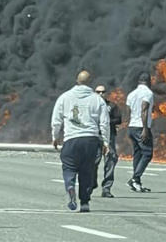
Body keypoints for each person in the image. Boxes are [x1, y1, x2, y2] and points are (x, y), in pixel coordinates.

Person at [51, 69, 110, 212]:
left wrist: (55, 136)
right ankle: (84, 202)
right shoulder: (97, 99)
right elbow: (104, 122)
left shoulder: (65, 97)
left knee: (69, 167)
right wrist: (106, 141)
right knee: (87, 171)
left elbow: (56, 119)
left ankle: (70, 186)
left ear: (77, 81)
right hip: (91, 140)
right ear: (90, 83)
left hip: (72, 139)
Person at [126, 71, 155, 192]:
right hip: (140, 127)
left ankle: (136, 182)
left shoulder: (131, 94)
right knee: (147, 153)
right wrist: (144, 128)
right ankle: (135, 178)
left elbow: (127, 110)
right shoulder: (147, 93)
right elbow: (144, 109)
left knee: (138, 153)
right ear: (149, 81)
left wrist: (129, 123)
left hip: (132, 126)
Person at [94, 85, 122, 197]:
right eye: (98, 92)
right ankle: (91, 182)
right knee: (93, 162)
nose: (101, 94)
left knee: (110, 161)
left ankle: (106, 188)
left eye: (103, 92)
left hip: (109, 137)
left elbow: (118, 119)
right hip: (94, 136)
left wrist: (106, 121)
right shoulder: (90, 105)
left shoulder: (111, 106)